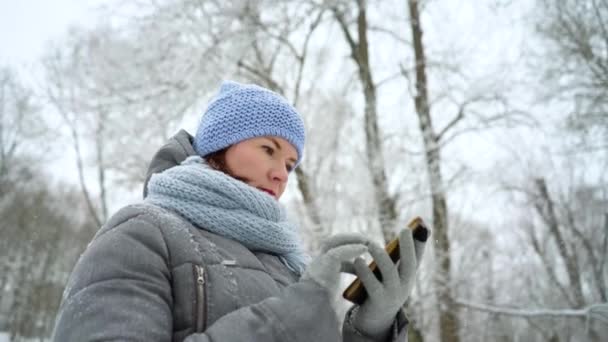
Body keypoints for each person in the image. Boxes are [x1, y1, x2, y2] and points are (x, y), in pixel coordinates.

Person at [52, 81, 426, 341]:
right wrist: (297, 312)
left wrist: (369, 330)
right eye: (268, 149)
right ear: (220, 145)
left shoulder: (287, 262)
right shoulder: (142, 233)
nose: (281, 173)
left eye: (292, 164)